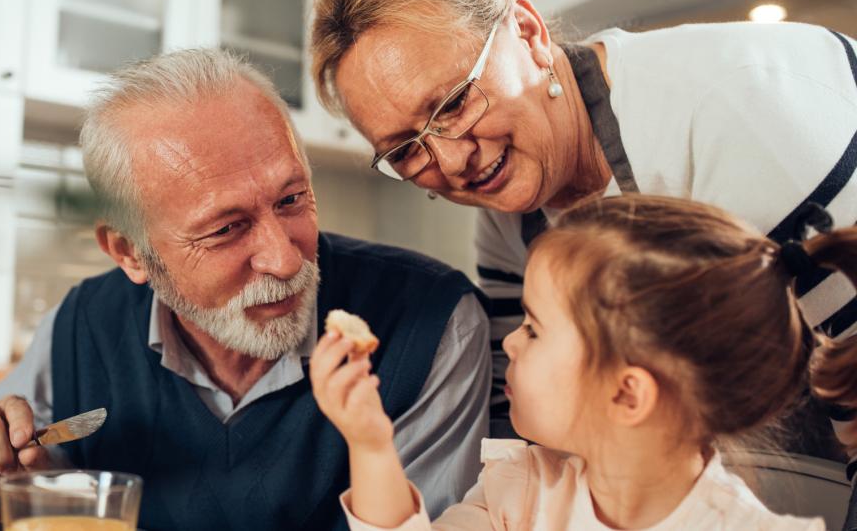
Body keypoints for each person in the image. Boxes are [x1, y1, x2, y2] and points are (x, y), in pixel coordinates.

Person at [308, 0, 857, 454]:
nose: (451, 163)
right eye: (405, 149)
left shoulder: (739, 119)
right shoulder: (509, 218)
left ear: (527, 33)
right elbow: (523, 410)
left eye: (454, 103)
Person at [0, 49, 491, 530]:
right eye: (226, 228)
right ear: (129, 252)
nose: (284, 257)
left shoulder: (433, 322)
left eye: (292, 199)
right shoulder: (82, 325)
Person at [313, 194, 846, 530]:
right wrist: (370, 445)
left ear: (627, 393)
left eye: (534, 328)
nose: (511, 345)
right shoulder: (519, 492)